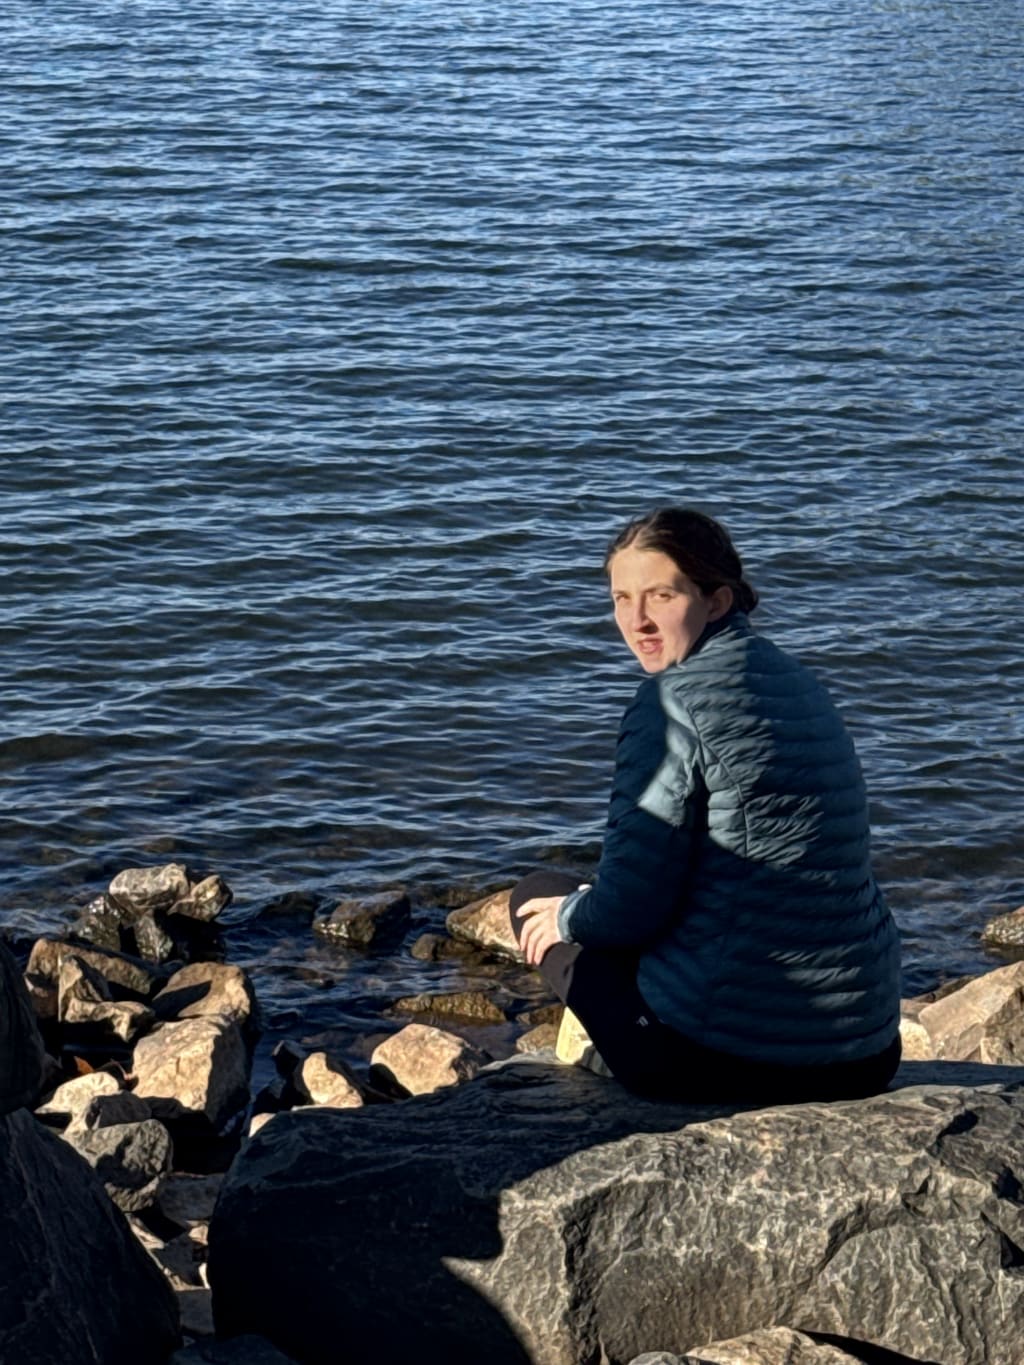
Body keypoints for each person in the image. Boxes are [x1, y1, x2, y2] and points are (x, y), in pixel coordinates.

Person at [511, 507, 901, 1103]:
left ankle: (602, 1048)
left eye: (660, 595)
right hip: (868, 1051)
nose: (635, 620)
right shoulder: (800, 682)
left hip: (725, 1063)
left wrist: (568, 915)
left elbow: (631, 913)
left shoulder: (669, 705)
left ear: (717, 601)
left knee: (534, 895)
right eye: (620, 599)